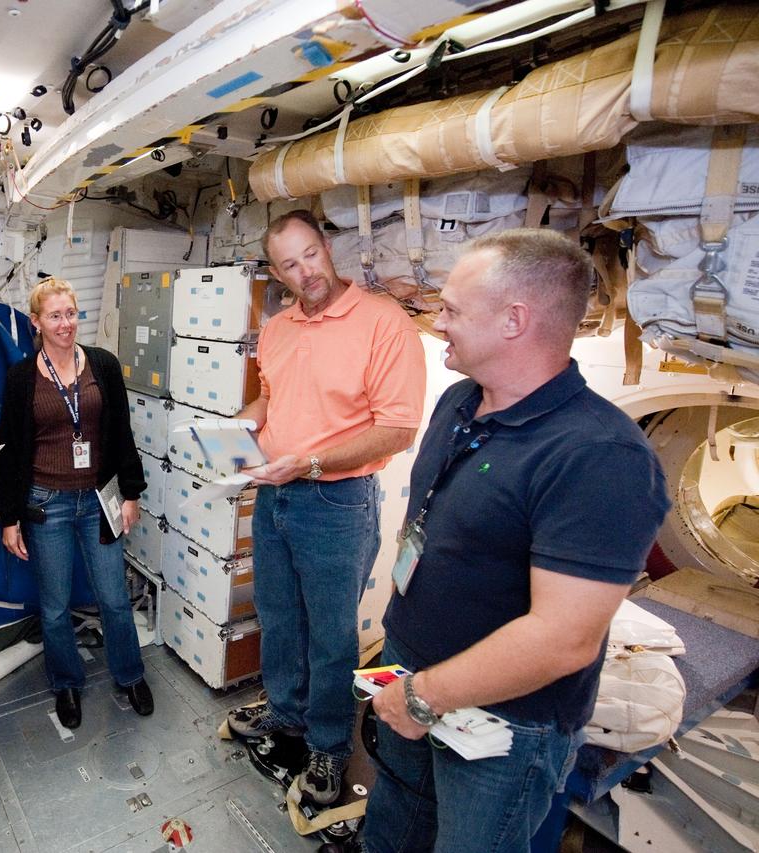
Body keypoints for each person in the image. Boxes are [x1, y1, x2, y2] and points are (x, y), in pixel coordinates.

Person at [360, 229, 671, 853]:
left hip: (505, 724)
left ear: (514, 320)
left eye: (450, 309)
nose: (436, 320)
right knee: (393, 830)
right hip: (410, 665)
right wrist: (406, 678)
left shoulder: (599, 456)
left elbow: (562, 640)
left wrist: (422, 698)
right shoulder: (458, 400)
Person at [226, 210, 427, 806]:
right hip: (274, 495)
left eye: (311, 254)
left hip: (337, 501)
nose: (305, 271)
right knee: (278, 617)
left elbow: (396, 429)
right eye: (289, 264)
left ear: (327, 247)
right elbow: (272, 395)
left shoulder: (383, 323)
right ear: (276, 271)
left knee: (330, 633)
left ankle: (329, 745)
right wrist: (239, 426)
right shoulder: (279, 328)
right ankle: (286, 713)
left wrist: (309, 463)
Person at [0, 277, 153, 730]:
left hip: (99, 499)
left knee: (114, 598)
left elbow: (122, 432)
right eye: (55, 315)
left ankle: (131, 674)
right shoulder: (22, 377)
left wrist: (131, 493)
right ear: (36, 322)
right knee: (56, 605)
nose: (66, 324)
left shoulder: (102, 364)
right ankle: (67, 682)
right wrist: (10, 517)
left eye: (71, 313)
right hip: (47, 503)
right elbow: (8, 449)